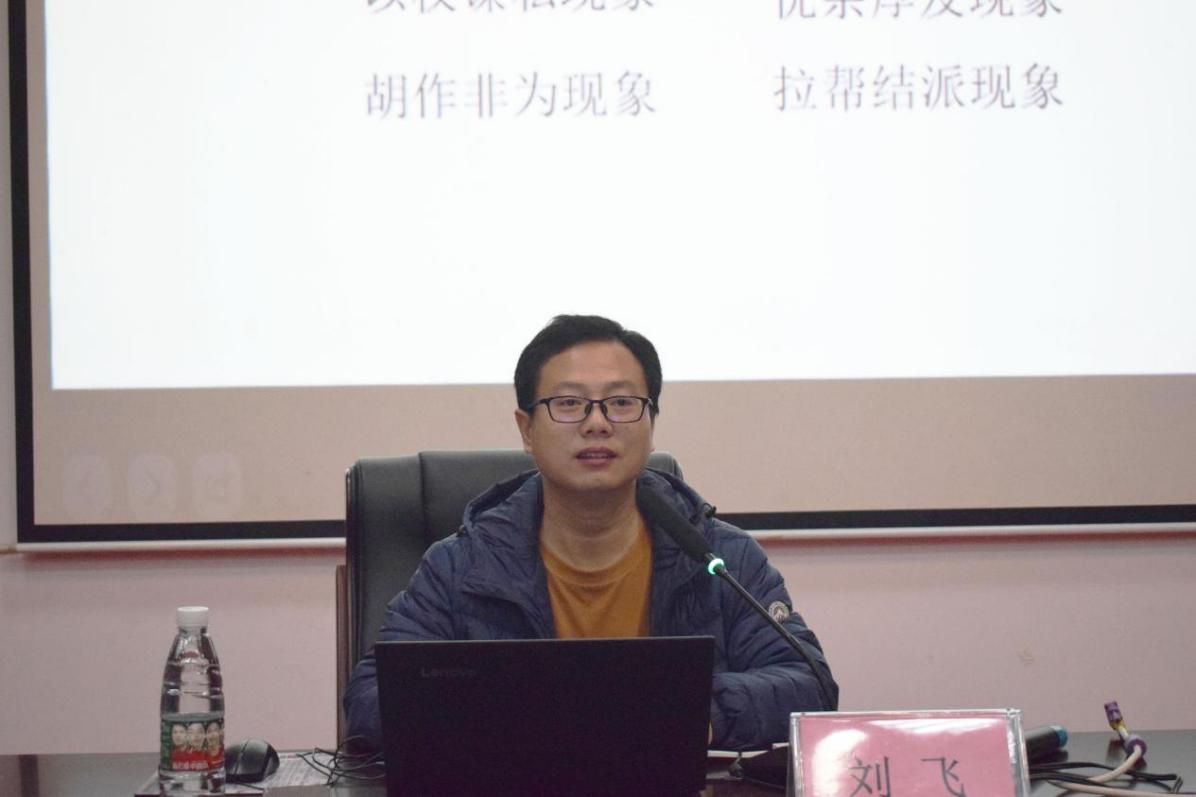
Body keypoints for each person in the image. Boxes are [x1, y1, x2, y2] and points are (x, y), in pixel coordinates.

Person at [343, 314, 837, 751]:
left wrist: (693, 713)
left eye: (621, 402)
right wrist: (532, 715)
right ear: (527, 429)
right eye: (569, 403)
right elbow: (371, 698)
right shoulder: (462, 565)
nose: (597, 423)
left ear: (651, 422)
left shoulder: (718, 556)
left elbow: (809, 684)